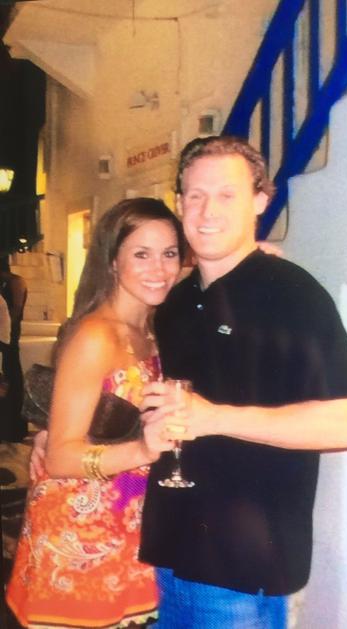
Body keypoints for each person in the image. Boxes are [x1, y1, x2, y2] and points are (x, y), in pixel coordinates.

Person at [139, 135, 347, 628]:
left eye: (227, 194)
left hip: (239, 566)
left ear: (260, 201)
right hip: (174, 550)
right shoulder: (177, 303)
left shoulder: (290, 293)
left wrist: (214, 418)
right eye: (196, 195)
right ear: (179, 203)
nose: (208, 211)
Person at [6, 198, 186, 629]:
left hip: (127, 523)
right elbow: (59, 457)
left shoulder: (152, 329)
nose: (159, 268)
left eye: (169, 253)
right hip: (79, 532)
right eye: (141, 254)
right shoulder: (96, 336)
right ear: (112, 261)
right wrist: (143, 450)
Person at [0, 256, 28, 441]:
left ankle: (14, 428)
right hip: (6, 333)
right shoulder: (8, 282)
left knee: (11, 377)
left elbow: (16, 309)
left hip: (9, 335)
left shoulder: (15, 281)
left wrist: (8, 324)